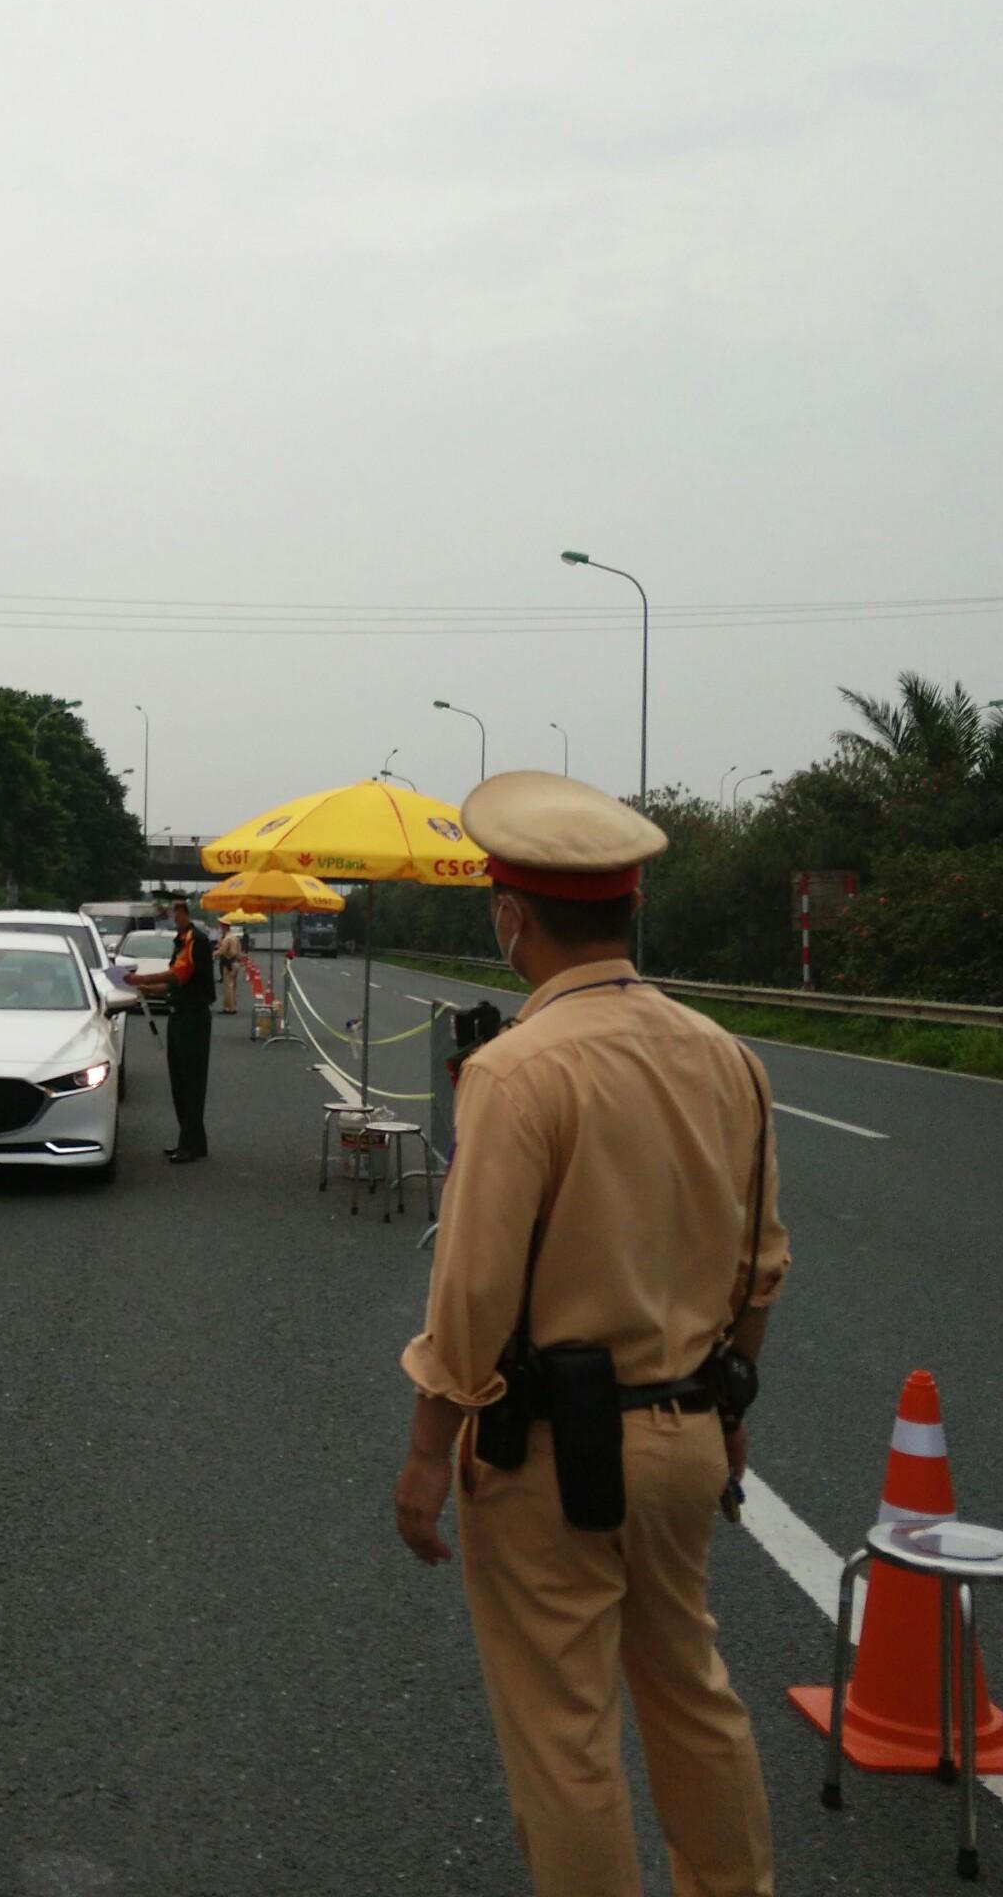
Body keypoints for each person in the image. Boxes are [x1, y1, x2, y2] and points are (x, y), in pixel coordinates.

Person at [391, 771, 787, 1897]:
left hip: (551, 1457)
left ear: (510, 915)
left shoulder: (517, 1072)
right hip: (688, 1430)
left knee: (564, 1733)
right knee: (690, 1694)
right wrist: (731, 1404)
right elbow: (761, 1263)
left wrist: (427, 1453)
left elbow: (472, 1301)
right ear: (629, 907)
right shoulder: (727, 1057)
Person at [128, 895, 214, 1163]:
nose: (170, 917)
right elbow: (174, 985)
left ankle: (188, 1144)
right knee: (179, 1081)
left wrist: (141, 978)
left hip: (192, 1018)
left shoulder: (194, 940)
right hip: (180, 1015)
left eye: (172, 913)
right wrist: (147, 989)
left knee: (190, 1082)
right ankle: (194, 1141)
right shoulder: (182, 940)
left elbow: (179, 974)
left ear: (182, 912)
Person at [216, 920, 244, 1015]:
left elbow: (222, 951)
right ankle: (233, 1005)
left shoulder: (227, 938)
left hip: (229, 963)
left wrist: (213, 954)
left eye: (221, 927)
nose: (220, 929)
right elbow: (239, 950)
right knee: (233, 986)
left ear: (224, 927)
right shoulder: (235, 937)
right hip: (236, 963)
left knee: (228, 987)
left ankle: (229, 1008)